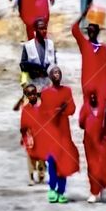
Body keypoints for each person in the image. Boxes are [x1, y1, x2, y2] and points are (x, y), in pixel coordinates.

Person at [38, 66, 79, 203]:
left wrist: (63, 110)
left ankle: (61, 191)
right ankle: (52, 189)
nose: (57, 74)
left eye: (59, 72)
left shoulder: (67, 91)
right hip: (50, 132)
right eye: (54, 72)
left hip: (63, 132)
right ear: (50, 76)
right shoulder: (45, 93)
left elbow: (72, 109)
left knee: (64, 161)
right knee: (52, 161)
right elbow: (42, 113)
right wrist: (54, 112)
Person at [72, 11, 106, 111]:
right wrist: (83, 15)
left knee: (100, 113)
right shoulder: (84, 45)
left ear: (98, 32)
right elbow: (74, 29)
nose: (91, 32)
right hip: (87, 84)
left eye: (93, 30)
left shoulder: (104, 48)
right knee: (87, 112)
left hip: (101, 85)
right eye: (89, 30)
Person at [78, 91, 106, 203]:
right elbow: (81, 123)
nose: (93, 98)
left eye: (95, 96)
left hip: (101, 143)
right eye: (91, 96)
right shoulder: (86, 108)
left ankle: (100, 187)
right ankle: (94, 191)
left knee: (102, 165)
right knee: (92, 167)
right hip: (89, 144)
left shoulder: (103, 110)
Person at [19, 83, 47, 185]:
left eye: (34, 94)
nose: (32, 96)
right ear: (27, 96)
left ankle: (41, 174)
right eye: (29, 94)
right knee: (30, 157)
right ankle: (31, 177)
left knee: (42, 157)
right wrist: (24, 136)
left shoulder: (41, 107)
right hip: (30, 136)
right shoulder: (25, 109)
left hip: (41, 136)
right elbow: (23, 124)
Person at [19, 18, 57, 93]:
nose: (44, 31)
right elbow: (23, 65)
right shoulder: (28, 46)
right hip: (33, 84)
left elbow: (54, 64)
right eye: (41, 29)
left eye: (45, 28)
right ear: (35, 29)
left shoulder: (50, 44)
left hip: (47, 83)